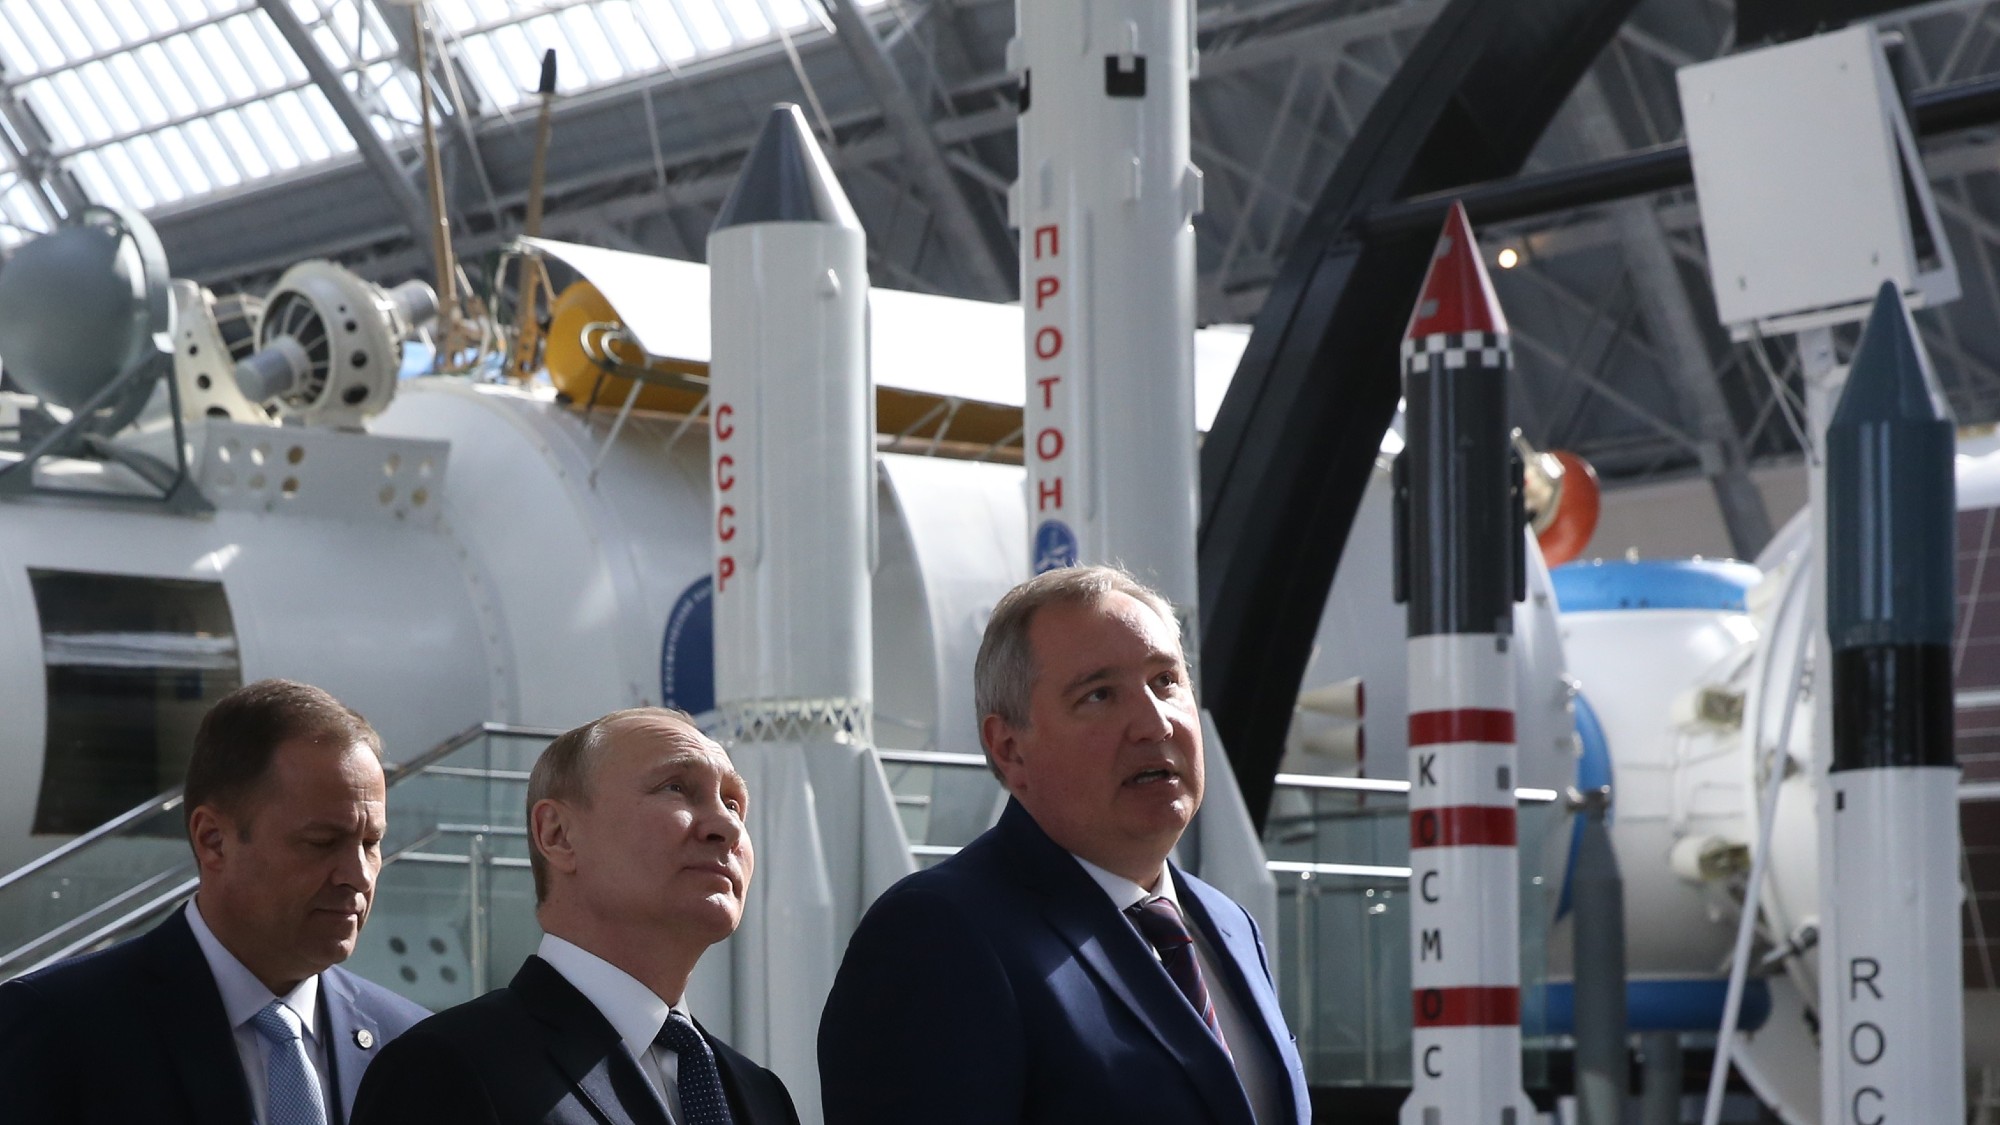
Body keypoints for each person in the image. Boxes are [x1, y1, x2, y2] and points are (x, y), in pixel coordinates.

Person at [820, 565, 1311, 1124]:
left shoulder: (1229, 925)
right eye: (1099, 695)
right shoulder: (937, 935)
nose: (1154, 723)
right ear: (1009, 747)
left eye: (1165, 681)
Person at [0, 678, 428, 1125]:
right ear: (213, 840)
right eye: (322, 842)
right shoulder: (60, 1028)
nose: (358, 875)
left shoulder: (408, 1043)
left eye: (371, 842)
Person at [350, 707, 799, 1125]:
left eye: (734, 803)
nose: (726, 826)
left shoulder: (761, 1096)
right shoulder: (445, 1068)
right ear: (558, 834)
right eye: (676, 787)